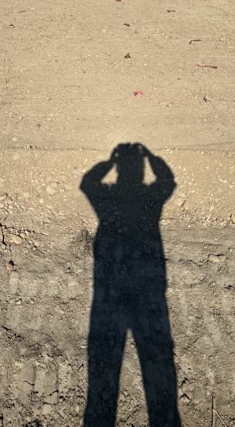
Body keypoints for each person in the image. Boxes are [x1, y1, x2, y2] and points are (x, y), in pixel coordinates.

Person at [80, 143, 181, 427]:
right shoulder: (151, 199)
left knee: (103, 373)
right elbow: (168, 181)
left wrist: (110, 162)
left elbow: (87, 183)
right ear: (140, 170)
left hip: (109, 293)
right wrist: (152, 157)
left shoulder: (108, 201)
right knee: (157, 365)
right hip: (149, 292)